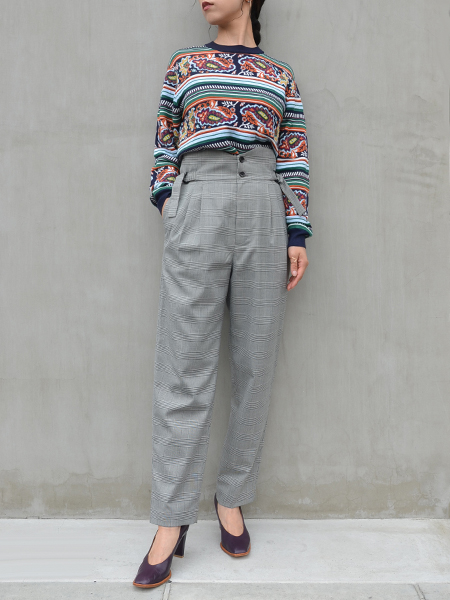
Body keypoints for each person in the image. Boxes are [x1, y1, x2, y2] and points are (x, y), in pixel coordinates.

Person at [133, 0, 312, 588]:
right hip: (199, 201)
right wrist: (172, 202)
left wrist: (296, 231)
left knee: (255, 364)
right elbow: (165, 142)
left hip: (263, 204)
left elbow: (293, 155)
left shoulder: (280, 75)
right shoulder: (184, 64)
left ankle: (231, 496)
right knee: (183, 366)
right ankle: (171, 519)